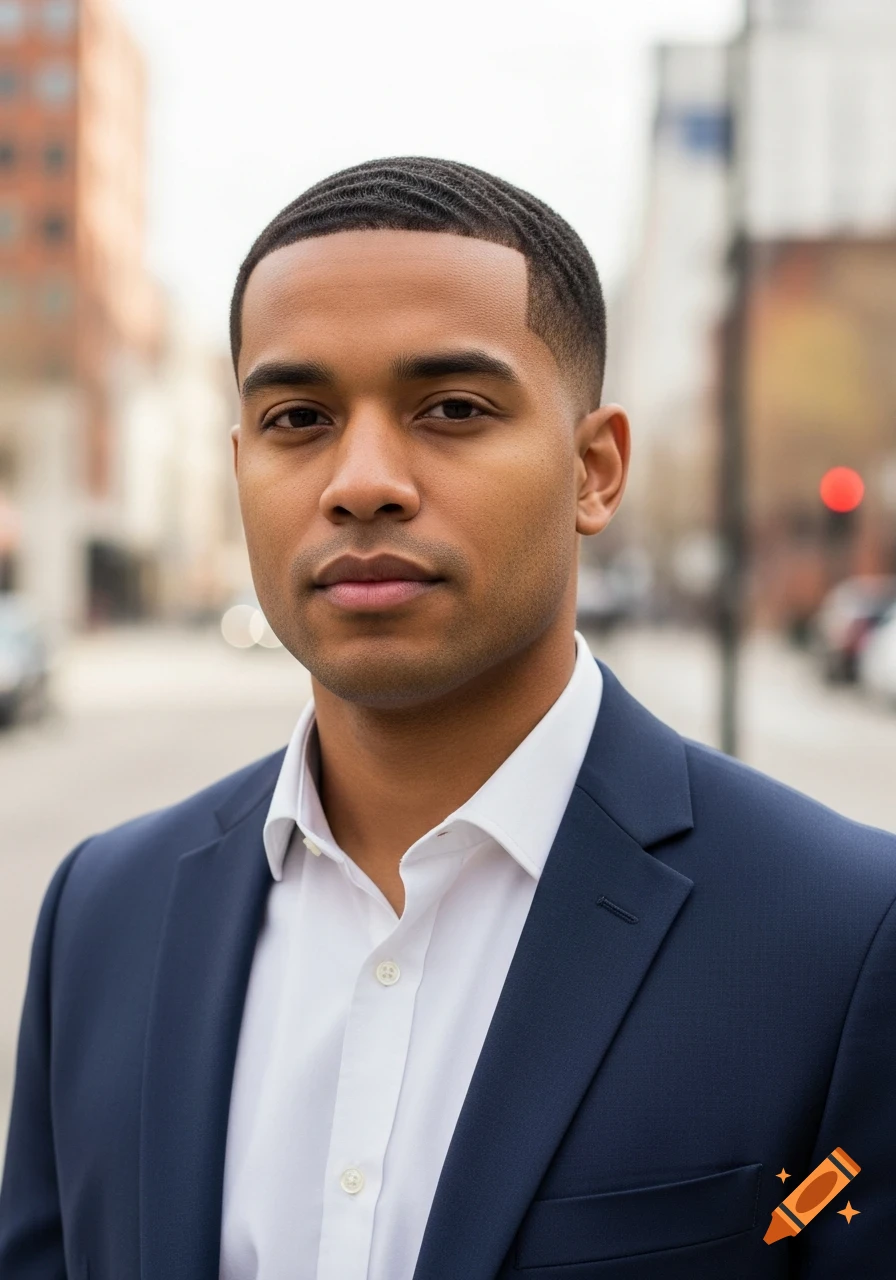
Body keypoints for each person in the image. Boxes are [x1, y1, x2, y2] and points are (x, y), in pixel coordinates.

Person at [1, 157, 894, 1280]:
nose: (361, 479)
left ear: (594, 468)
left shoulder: (844, 934)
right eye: (297, 417)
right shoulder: (101, 914)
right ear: (239, 468)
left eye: (452, 408)